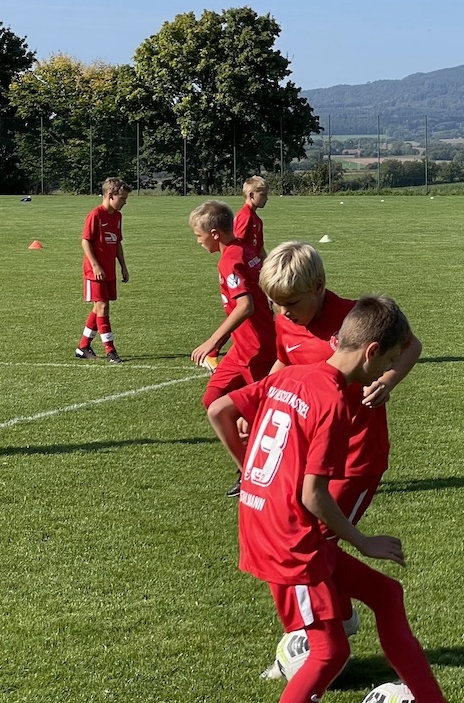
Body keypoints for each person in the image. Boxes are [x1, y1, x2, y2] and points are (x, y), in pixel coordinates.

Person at [206, 296, 448, 703]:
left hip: (272, 525)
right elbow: (313, 495)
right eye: (389, 360)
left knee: (387, 595)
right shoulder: (334, 403)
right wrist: (363, 541)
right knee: (328, 652)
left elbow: (218, 410)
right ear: (371, 351)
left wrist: (251, 473)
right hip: (289, 544)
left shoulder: (290, 376)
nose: (387, 371)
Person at [257, 240, 422, 653]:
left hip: (356, 458)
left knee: (316, 541)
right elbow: (284, 363)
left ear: (318, 286)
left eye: (291, 303)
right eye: (276, 304)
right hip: (311, 455)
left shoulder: (356, 319)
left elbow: (411, 345)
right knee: (302, 539)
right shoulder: (285, 322)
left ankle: (325, 637)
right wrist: (262, 401)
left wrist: (387, 381)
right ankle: (335, 624)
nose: (283, 312)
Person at [189, 200, 276, 495]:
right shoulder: (243, 250)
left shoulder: (231, 260)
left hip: (256, 350)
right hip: (242, 348)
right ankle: (247, 466)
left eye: (198, 235)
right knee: (213, 399)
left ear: (214, 233)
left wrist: (213, 341)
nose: (197, 241)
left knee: (260, 416)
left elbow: (245, 306)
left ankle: (255, 474)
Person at [75, 178, 130, 363]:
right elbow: (85, 241)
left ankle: (83, 346)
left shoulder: (117, 217)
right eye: (122, 198)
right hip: (94, 272)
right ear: (110, 195)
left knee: (98, 308)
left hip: (109, 270)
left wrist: (123, 266)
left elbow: (117, 243)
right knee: (103, 307)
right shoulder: (95, 215)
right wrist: (95, 265)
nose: (125, 202)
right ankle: (110, 351)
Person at [235, 176, 269, 259]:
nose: (266, 198)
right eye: (263, 195)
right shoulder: (245, 216)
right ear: (251, 195)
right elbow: (237, 244)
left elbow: (260, 249)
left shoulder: (257, 219)